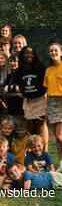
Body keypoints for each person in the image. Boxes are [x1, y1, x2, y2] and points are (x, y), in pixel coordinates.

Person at [17, 46, 48, 150]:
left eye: (31, 53)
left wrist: (44, 95)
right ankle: (33, 153)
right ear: (22, 55)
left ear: (35, 54)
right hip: (28, 101)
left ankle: (44, 151)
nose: (29, 55)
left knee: (41, 127)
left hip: (40, 100)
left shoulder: (40, 67)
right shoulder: (20, 69)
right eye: (26, 53)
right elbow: (19, 84)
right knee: (30, 129)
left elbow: (46, 84)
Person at [43, 42, 62, 171]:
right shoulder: (48, 70)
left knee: (60, 136)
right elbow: (46, 89)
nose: (53, 53)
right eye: (51, 51)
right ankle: (61, 162)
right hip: (51, 102)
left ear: (61, 52)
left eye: (55, 50)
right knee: (56, 138)